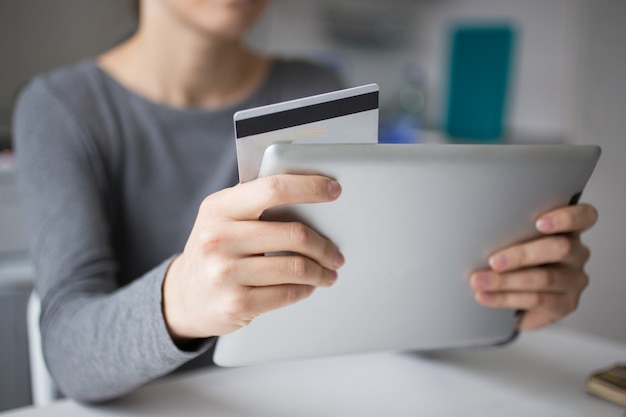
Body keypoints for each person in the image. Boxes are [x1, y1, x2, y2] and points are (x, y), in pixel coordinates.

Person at [13, 0, 598, 403]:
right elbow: (67, 350)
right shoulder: (62, 110)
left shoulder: (318, 90)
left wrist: (505, 301)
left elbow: (370, 300)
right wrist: (178, 301)